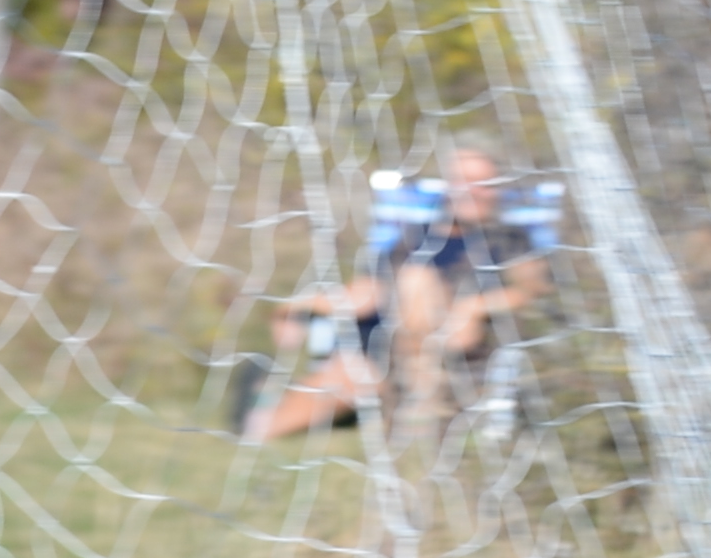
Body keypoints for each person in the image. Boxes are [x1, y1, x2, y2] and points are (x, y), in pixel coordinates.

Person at [231, 145, 550, 446]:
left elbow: (532, 290)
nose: (473, 191)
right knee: (335, 383)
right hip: (384, 349)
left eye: (483, 183)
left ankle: (419, 402)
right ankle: (254, 428)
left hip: (458, 350)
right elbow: (367, 292)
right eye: (463, 181)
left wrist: (475, 306)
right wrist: (295, 308)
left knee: (415, 279)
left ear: (497, 190)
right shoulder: (416, 237)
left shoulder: (510, 239)